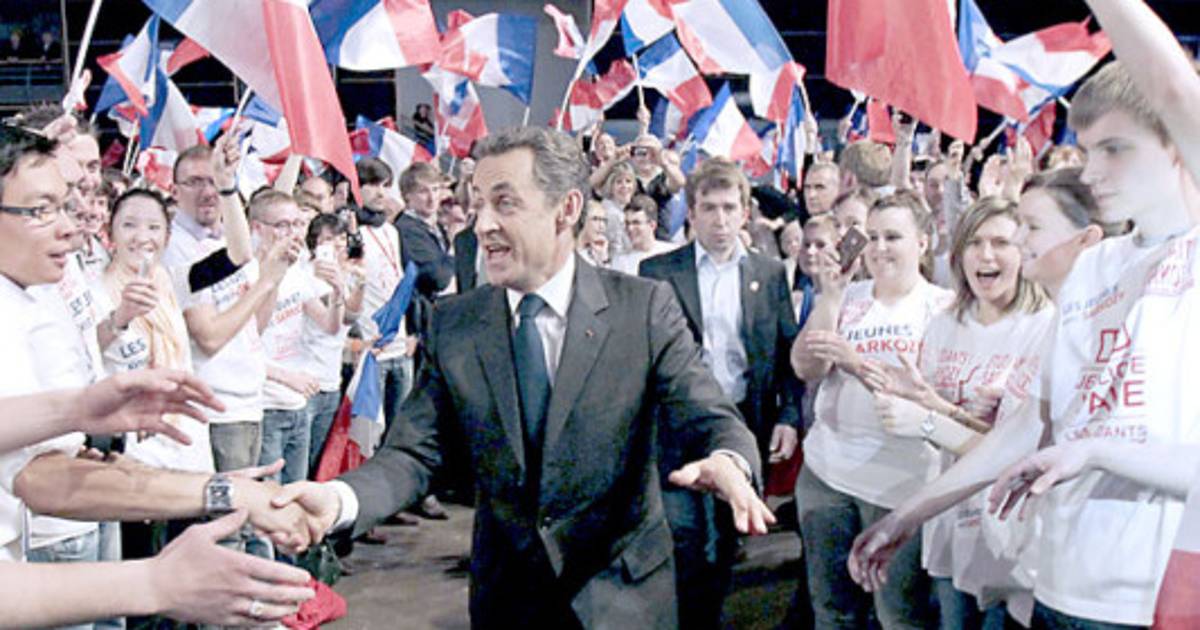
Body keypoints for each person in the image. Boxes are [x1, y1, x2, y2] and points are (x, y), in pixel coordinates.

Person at [273, 126, 773, 628]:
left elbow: (708, 413)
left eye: (505, 203)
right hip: (508, 602)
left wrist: (728, 459)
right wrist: (339, 500)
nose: (483, 224)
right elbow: (415, 453)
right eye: (478, 205)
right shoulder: (456, 325)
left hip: (624, 599)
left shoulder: (642, 309)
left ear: (567, 209)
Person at [851, 56, 1200, 629]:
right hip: (1059, 586)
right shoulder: (1095, 269)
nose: (1092, 172)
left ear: (1177, 143)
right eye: (1087, 151)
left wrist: (1097, 452)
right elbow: (1028, 426)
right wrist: (910, 514)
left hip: (1153, 596)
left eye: (1114, 148)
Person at [867, 198, 1056, 629]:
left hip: (1012, 529)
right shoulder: (945, 323)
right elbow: (938, 418)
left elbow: (1017, 449)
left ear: (1023, 250)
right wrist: (920, 400)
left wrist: (933, 417)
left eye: (1000, 243)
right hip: (950, 517)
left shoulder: (1045, 325)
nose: (986, 255)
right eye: (974, 242)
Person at [639, 157, 803, 629]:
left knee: (728, 540)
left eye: (730, 208)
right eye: (709, 208)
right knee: (685, 536)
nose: (720, 219)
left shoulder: (768, 274)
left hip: (742, 424)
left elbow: (785, 352)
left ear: (745, 212)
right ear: (691, 213)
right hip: (676, 426)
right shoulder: (657, 272)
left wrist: (789, 417)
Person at [790, 190, 952, 629]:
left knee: (898, 615)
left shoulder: (943, 308)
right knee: (832, 611)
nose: (879, 248)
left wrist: (856, 362)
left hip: (903, 486)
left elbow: (933, 399)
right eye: (873, 237)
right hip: (828, 476)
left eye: (893, 237)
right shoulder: (848, 297)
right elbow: (806, 367)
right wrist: (830, 297)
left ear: (923, 242)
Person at [100, 188, 214, 474]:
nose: (142, 237)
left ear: (167, 236)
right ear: (110, 232)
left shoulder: (169, 281)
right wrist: (122, 316)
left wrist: (226, 186)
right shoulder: (96, 291)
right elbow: (89, 350)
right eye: (129, 225)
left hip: (186, 438)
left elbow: (238, 256)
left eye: (153, 227)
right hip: (134, 448)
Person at [253, 190, 341, 486]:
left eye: (296, 224)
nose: (292, 233)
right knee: (270, 499)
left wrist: (339, 291)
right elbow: (241, 347)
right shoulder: (248, 273)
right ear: (257, 228)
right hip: (267, 405)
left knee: (297, 492)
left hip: (298, 404)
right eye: (282, 225)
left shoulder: (297, 271)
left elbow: (329, 325)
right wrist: (287, 378)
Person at [302, 213, 363, 474]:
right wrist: (338, 287)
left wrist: (358, 283)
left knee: (321, 463)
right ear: (314, 244)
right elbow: (330, 322)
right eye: (328, 239)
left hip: (331, 379)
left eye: (341, 238)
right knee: (301, 465)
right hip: (306, 382)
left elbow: (351, 317)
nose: (337, 245)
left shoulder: (345, 275)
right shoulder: (304, 275)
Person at [396, 162, 455, 299]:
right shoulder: (407, 230)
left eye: (435, 189)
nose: (432, 198)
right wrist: (453, 249)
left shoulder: (436, 226)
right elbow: (438, 279)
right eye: (423, 191)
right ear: (407, 196)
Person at [610, 194, 676, 275]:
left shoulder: (671, 254)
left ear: (652, 225)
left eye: (636, 223)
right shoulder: (619, 261)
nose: (630, 228)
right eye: (627, 223)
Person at [597, 161, 636, 257]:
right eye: (619, 182)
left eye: (628, 181)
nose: (625, 186)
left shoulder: (620, 209)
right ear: (610, 186)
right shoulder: (612, 214)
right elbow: (615, 252)